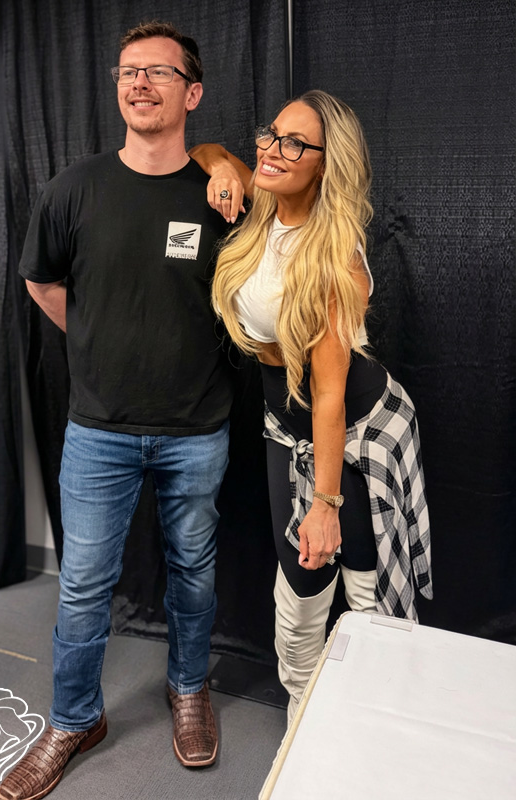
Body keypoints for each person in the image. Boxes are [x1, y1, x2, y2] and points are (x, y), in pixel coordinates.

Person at [0, 21, 247, 800]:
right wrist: (96, 337)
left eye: (159, 72)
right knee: (82, 584)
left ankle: (188, 689)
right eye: (129, 70)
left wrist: (225, 160)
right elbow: (41, 281)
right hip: (98, 430)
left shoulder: (221, 195)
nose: (139, 82)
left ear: (192, 93)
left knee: (194, 572)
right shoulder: (73, 189)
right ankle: (74, 719)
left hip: (196, 428)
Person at [203, 90, 432, 725]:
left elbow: (329, 395)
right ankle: (305, 723)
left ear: (327, 164)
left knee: (365, 587)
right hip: (288, 429)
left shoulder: (335, 261)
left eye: (295, 143)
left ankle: (371, 725)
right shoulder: (262, 201)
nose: (272, 150)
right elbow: (206, 151)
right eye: (271, 133)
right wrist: (220, 164)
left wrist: (325, 504)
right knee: (301, 585)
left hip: (358, 429)